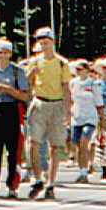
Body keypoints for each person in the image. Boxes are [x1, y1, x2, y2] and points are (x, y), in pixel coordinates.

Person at [25, 27, 72, 200]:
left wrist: (68, 111)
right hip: (39, 102)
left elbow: (66, 88)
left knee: (54, 146)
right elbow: (26, 82)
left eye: (46, 42)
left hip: (57, 104)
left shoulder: (62, 63)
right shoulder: (35, 61)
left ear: (52, 42)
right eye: (41, 43)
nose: (43, 46)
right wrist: (31, 73)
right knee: (34, 142)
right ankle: (38, 178)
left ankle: (51, 183)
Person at [0, 38, 30, 199]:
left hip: (12, 109)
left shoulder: (17, 71)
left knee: (13, 149)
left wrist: (6, 88)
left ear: (10, 54)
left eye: (4, 52)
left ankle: (12, 186)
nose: (0, 56)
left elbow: (25, 95)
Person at [69, 60, 102, 182]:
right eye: (77, 69)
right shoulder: (73, 83)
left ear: (87, 71)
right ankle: (82, 170)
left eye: (81, 69)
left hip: (90, 117)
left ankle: (85, 170)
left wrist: (102, 120)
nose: (78, 72)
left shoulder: (93, 84)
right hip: (76, 117)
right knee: (77, 145)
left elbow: (99, 103)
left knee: (84, 142)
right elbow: (69, 100)